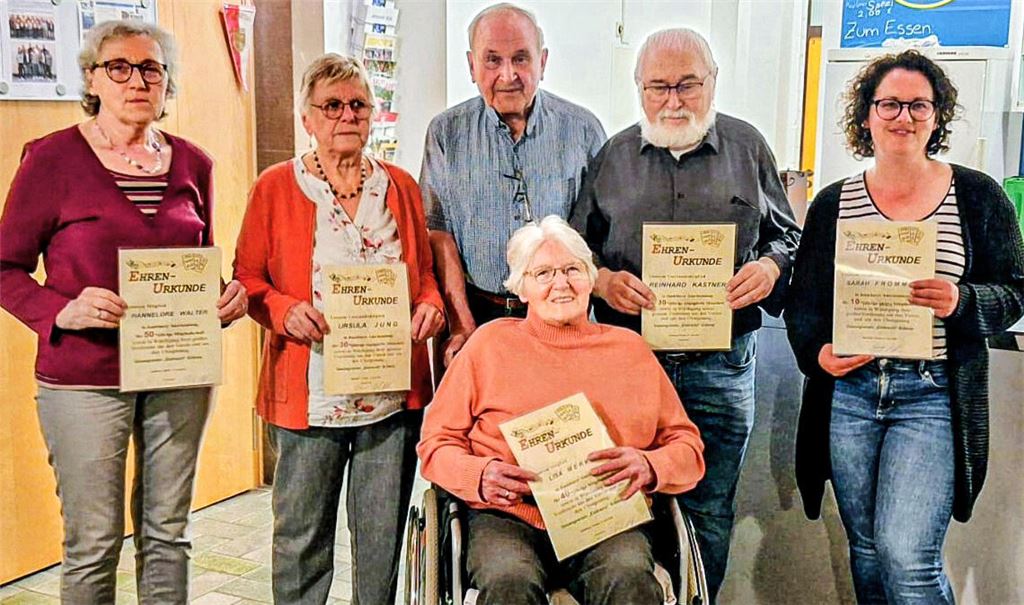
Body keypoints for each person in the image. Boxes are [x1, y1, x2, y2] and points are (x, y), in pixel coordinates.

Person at [0, 20, 247, 604]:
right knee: (94, 542)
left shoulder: (194, 163)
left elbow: (198, 264)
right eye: (120, 67)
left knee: (168, 534)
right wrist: (61, 311)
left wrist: (223, 297)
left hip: (178, 372)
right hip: (84, 379)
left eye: (151, 68)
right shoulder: (52, 158)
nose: (137, 80)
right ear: (92, 78)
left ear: (167, 83)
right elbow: (6, 269)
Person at [569, 27, 800, 600]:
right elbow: (575, 249)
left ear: (713, 82)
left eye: (688, 85)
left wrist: (769, 268)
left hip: (720, 366)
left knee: (711, 506)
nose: (673, 100)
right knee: (623, 503)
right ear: (639, 89)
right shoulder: (611, 156)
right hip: (629, 367)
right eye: (658, 87)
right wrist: (601, 280)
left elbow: (789, 236)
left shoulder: (748, 148)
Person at [786, 50, 1024, 603]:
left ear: (937, 116)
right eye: (889, 103)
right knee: (866, 551)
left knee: (907, 556)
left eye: (919, 105)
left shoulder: (977, 195)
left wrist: (961, 301)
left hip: (932, 393)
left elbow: (1015, 289)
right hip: (849, 394)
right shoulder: (832, 203)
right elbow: (804, 305)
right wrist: (817, 354)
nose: (903, 116)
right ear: (866, 116)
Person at [232, 53, 445, 605]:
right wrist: (281, 308)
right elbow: (248, 279)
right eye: (332, 106)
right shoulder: (276, 187)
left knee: (380, 542)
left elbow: (421, 275)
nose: (346, 115)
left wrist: (429, 305)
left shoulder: (398, 186)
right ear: (307, 117)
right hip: (311, 396)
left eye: (358, 104)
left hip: (389, 397)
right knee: (302, 539)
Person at [418, 215, 705, 605]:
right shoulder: (489, 345)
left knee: (629, 579)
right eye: (543, 273)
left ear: (590, 278)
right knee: (509, 582)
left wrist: (651, 466)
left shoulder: (630, 350)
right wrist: (479, 474)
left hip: (606, 516)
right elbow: (435, 445)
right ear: (521, 288)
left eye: (572, 269)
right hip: (509, 516)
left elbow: (687, 448)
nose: (561, 284)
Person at [420, 2, 606, 366]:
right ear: (471, 65)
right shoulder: (445, 133)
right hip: (474, 314)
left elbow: (598, 235)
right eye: (492, 60)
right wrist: (462, 325)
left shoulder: (584, 131)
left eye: (521, 58)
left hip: (562, 320)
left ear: (543, 61)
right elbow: (438, 233)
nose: (508, 75)